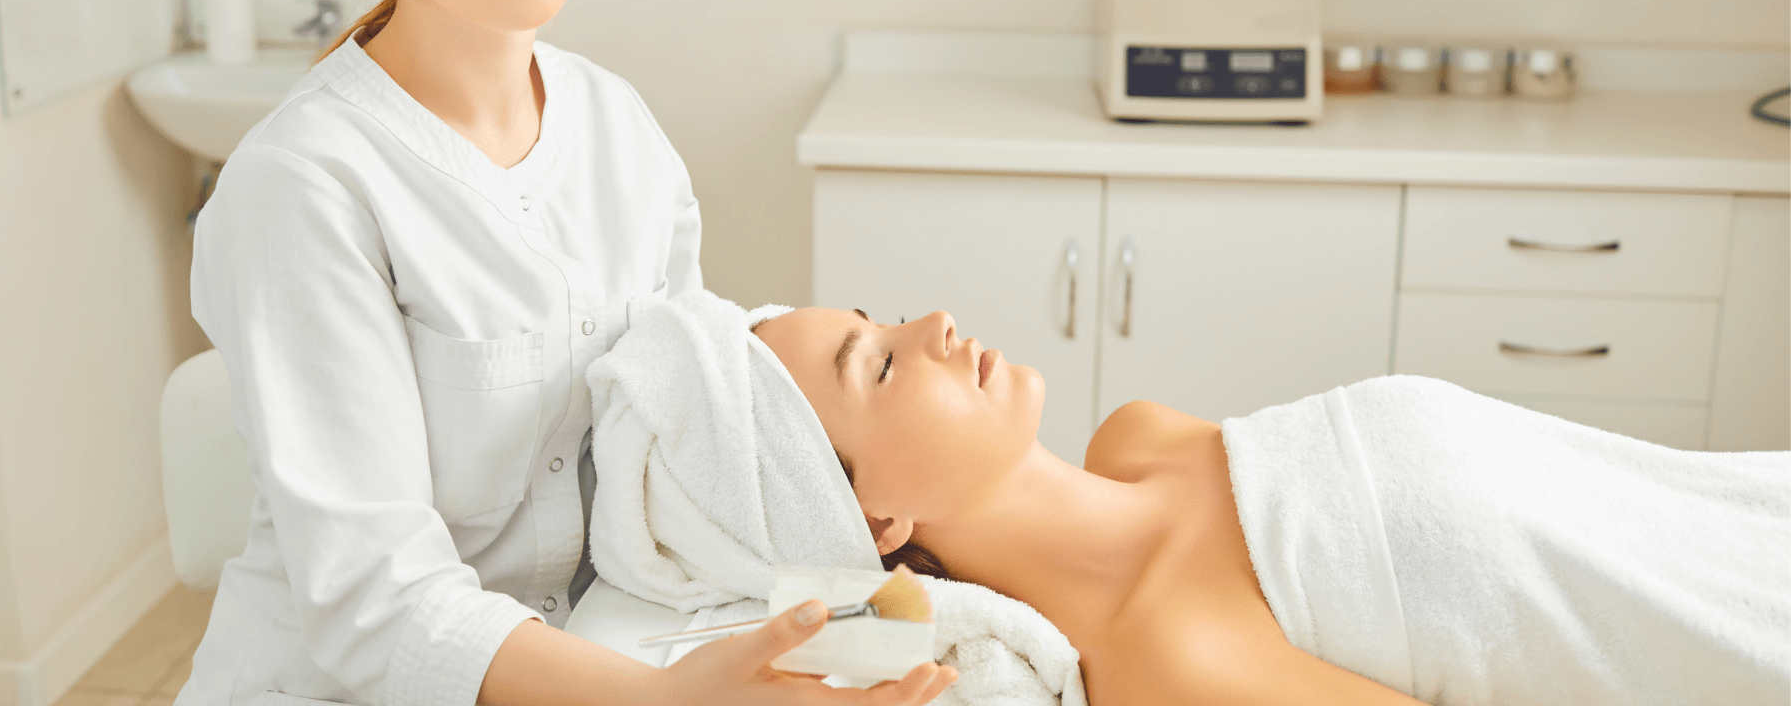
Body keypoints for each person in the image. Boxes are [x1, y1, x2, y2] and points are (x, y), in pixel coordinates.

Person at [182, 0, 955, 706]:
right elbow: (378, 605)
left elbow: (683, 413)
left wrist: (845, 480)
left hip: (607, 657)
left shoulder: (617, 128)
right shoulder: (303, 189)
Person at [749, 306, 1791, 706]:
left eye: (879, 316)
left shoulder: (1140, 434)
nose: (931, 322)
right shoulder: (1169, 661)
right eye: (877, 365)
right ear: (876, 522)